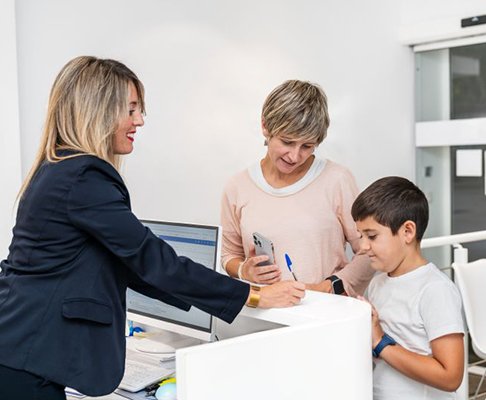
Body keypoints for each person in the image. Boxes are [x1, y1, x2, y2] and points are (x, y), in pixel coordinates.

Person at [0, 56, 305, 399]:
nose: (139, 121)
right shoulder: (83, 176)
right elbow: (151, 259)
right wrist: (253, 294)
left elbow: (131, 265)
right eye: (130, 110)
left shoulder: (59, 168)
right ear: (98, 110)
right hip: (27, 359)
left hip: (20, 349)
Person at [220, 79, 373, 296]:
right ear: (265, 126)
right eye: (287, 142)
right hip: (265, 318)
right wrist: (245, 270)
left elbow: (370, 252)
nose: (295, 156)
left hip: (327, 314)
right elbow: (228, 255)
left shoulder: (337, 180)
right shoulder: (238, 187)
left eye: (307, 146)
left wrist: (328, 287)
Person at [351, 176, 465, 400]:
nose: (363, 247)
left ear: (407, 232)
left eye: (372, 236)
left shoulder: (435, 290)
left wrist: (380, 342)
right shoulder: (378, 282)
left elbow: (450, 376)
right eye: (360, 236)